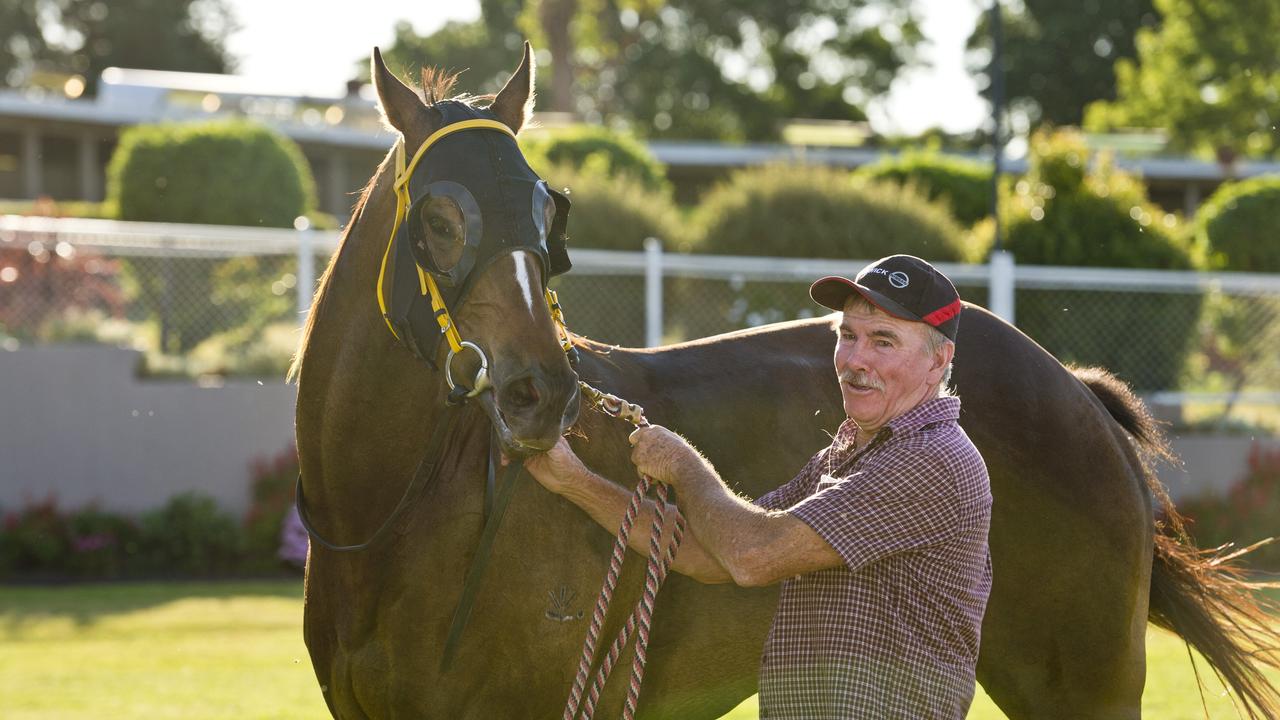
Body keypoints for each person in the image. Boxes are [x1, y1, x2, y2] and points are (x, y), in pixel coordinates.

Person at [525, 254, 992, 719]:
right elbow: (709, 553)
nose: (855, 360)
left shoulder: (931, 461)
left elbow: (750, 556)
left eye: (883, 341)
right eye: (848, 335)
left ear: (938, 361)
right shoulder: (849, 454)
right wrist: (576, 482)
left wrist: (682, 463)